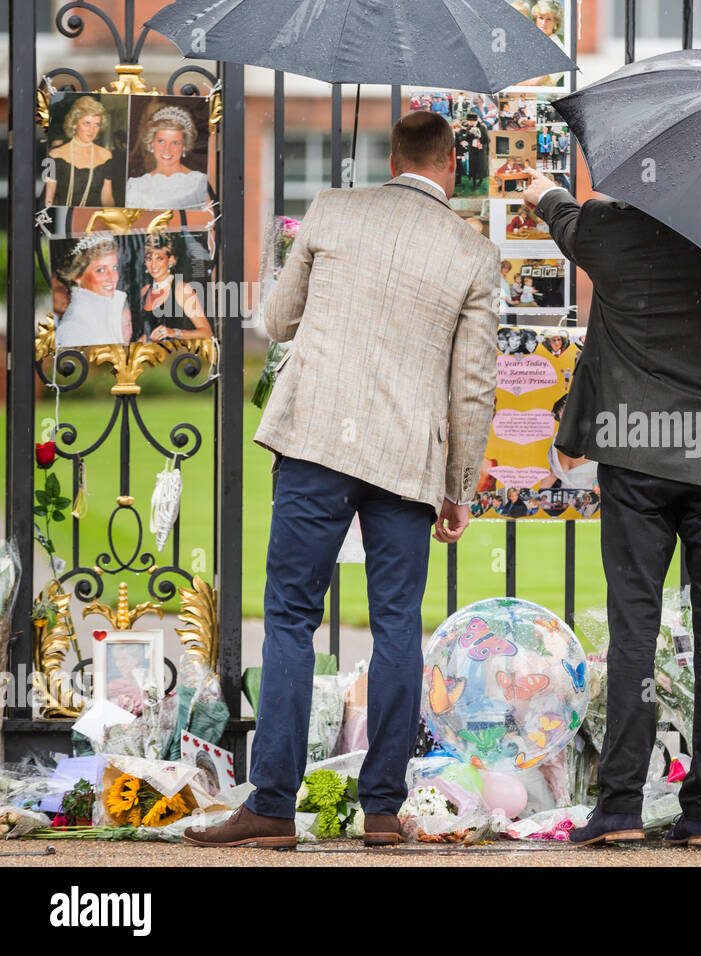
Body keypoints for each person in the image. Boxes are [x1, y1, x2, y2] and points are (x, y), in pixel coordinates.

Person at [185, 111, 499, 849]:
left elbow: (275, 318)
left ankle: (270, 807)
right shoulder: (473, 252)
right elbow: (474, 386)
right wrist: (459, 486)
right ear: (450, 162)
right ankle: (383, 809)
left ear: (391, 157)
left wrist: (283, 253)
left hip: (319, 438)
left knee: (291, 616)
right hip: (406, 459)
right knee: (397, 625)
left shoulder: (333, 209)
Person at [521, 167, 701, 848]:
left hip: (635, 453)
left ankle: (617, 806)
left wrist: (543, 191)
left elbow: (562, 219)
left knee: (634, 628)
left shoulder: (609, 228)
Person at [125, 105, 209, 210]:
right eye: (161, 141)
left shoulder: (200, 183)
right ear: (152, 143)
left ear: (184, 146)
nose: (167, 149)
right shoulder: (135, 185)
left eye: (175, 143)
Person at [54, 235, 131, 347]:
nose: (112, 278)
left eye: (114, 268)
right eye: (100, 270)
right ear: (77, 276)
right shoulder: (71, 330)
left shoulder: (116, 311)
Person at [137, 233, 213, 342]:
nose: (153, 265)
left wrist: (174, 332)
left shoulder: (182, 290)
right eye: (149, 259)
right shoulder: (144, 291)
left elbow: (206, 333)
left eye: (159, 258)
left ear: (171, 260)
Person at [47, 95, 119, 207]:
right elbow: (48, 198)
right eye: (87, 123)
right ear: (74, 123)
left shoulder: (106, 155)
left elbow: (107, 197)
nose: (92, 130)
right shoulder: (54, 155)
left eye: (96, 124)